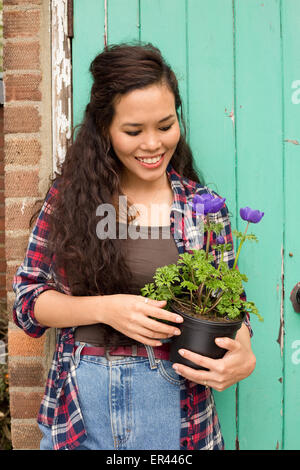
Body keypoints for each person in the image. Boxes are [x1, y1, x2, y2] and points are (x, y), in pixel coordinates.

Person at [12, 42, 256, 451]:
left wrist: (243, 353)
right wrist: (106, 308)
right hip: (80, 411)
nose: (152, 145)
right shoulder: (71, 199)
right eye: (133, 131)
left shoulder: (203, 208)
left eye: (165, 126)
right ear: (104, 128)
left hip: (178, 412)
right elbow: (28, 301)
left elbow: (231, 307)